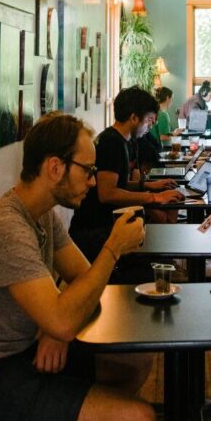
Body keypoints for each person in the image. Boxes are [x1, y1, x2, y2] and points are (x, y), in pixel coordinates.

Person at [0, 113, 156, 421]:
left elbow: (83, 278)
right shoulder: (6, 229)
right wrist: (113, 248)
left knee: (134, 364)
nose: (92, 181)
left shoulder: (42, 216)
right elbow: (68, 312)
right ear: (55, 168)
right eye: (87, 170)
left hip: (23, 354)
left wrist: (53, 329)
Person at [69, 88, 183, 280]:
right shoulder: (111, 143)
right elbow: (107, 193)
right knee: (156, 255)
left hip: (104, 225)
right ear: (133, 118)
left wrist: (147, 186)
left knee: (159, 241)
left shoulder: (122, 141)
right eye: (148, 120)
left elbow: (118, 184)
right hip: (93, 231)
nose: (149, 126)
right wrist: (153, 197)